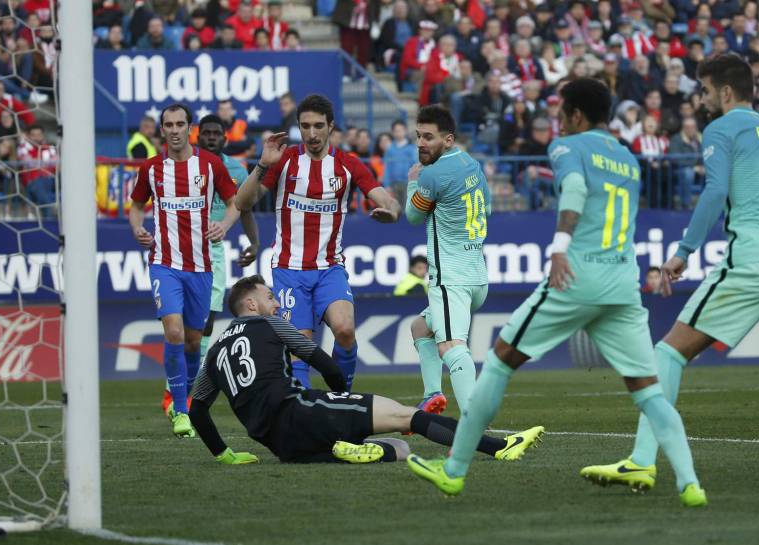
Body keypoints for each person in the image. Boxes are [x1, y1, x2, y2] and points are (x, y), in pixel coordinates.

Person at [407, 78, 706, 507]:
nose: (557, 119)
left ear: (577, 115)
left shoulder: (568, 147)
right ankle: (690, 484)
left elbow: (576, 192)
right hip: (622, 281)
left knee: (497, 362)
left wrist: (560, 247)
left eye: (561, 111)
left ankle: (454, 470)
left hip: (576, 275)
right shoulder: (628, 156)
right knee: (649, 391)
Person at [583, 53, 759, 493]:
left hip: (752, 259)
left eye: (705, 90)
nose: (702, 99)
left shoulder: (722, 128)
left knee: (668, 354)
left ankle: (641, 460)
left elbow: (717, 190)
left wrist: (684, 250)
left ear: (725, 92)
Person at [188, 275, 545, 464]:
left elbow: (197, 410)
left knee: (399, 450)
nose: (277, 302)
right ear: (251, 304)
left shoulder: (215, 350)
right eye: (269, 297)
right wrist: (340, 395)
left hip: (280, 446)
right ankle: (499, 447)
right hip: (302, 413)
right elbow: (323, 362)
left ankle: (345, 450)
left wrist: (223, 454)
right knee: (410, 417)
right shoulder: (273, 325)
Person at [234, 94, 402, 391]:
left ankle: (343, 398)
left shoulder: (348, 164)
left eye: (318, 126)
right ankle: (303, 410)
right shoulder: (284, 160)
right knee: (301, 347)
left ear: (331, 127)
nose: (312, 133)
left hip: (329, 267)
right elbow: (242, 201)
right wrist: (262, 164)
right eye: (305, 126)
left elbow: (387, 199)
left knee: (346, 330)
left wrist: (392, 212)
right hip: (289, 268)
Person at [128, 104, 241, 438]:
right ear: (162, 129)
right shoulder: (150, 169)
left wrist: (224, 224)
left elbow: (235, 201)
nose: (174, 130)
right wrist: (138, 228)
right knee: (174, 333)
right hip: (165, 263)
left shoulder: (210, 166)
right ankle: (179, 410)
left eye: (180, 124)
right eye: (168, 125)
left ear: (188, 127)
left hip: (202, 267)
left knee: (194, 342)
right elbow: (136, 207)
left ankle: (187, 402)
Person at [404, 105, 489, 415]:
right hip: (477, 275)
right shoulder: (472, 164)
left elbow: (413, 216)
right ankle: (432, 395)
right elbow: (487, 210)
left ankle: (474, 421)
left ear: (448, 139)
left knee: (451, 347)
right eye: (418, 136)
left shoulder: (433, 174)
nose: (420, 144)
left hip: (450, 279)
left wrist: (413, 181)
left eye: (428, 137)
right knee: (419, 328)